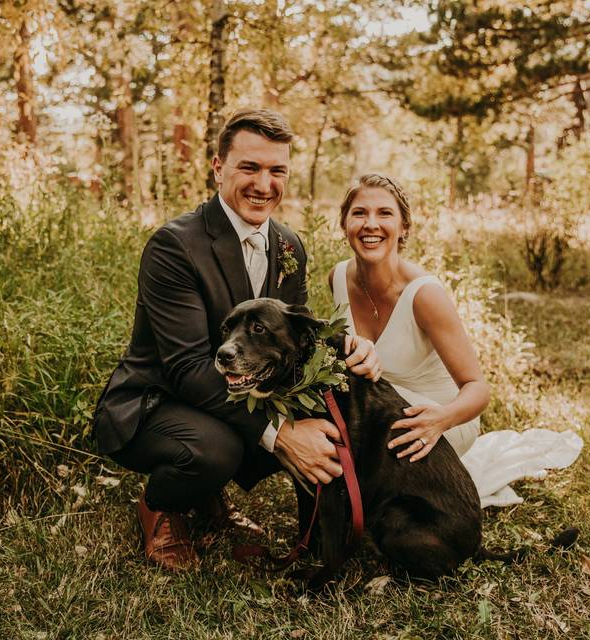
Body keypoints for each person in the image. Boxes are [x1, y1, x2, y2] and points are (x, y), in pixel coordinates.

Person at [92, 109, 380, 571]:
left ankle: (214, 499)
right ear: (218, 167)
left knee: (322, 414)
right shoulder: (174, 246)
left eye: (276, 170)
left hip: (229, 392)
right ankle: (161, 508)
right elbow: (186, 368)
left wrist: (351, 348)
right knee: (218, 449)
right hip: (156, 402)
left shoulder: (289, 246)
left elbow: (294, 343)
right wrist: (281, 436)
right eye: (249, 167)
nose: (264, 184)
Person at [330, 174, 582, 507]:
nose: (370, 224)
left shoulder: (424, 295)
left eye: (385, 214)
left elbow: (477, 388)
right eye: (359, 213)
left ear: (404, 227)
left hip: (440, 418)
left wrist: (441, 420)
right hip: (379, 408)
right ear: (345, 222)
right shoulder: (338, 276)